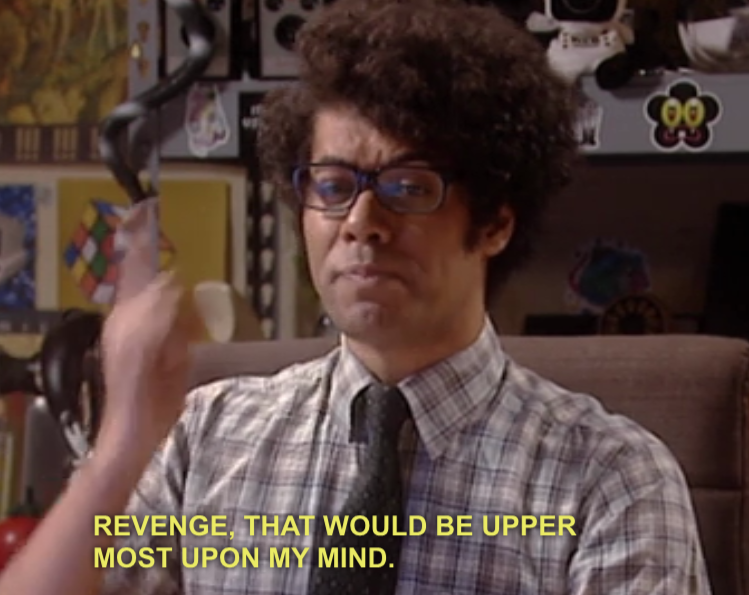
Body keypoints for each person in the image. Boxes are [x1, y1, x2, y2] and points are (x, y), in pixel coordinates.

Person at [0, 0, 712, 593]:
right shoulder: (206, 436)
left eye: (408, 187)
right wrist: (120, 447)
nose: (362, 222)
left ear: (495, 221)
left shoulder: (609, 478)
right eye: (334, 186)